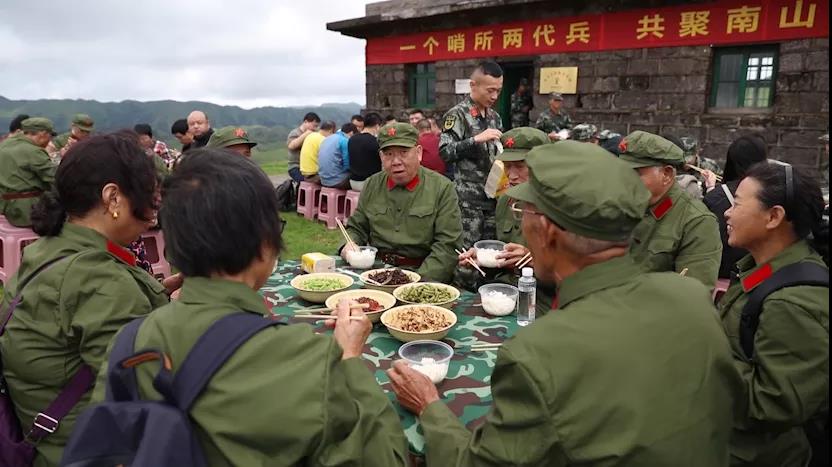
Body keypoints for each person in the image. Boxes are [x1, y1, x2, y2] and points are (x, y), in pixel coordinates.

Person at [387, 141, 741, 466]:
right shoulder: (692, 300)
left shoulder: (538, 355)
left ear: (547, 230)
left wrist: (429, 405)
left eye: (524, 210)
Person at [88, 149, 407, 466]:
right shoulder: (306, 358)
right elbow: (387, 459)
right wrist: (349, 357)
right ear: (264, 243)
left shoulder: (128, 342)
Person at [0, 133, 176, 467]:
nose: (153, 214)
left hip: (41, 434)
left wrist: (162, 290)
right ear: (113, 198)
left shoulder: (49, 251)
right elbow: (146, 391)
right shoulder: (100, 279)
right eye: (151, 200)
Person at [719, 162, 828, 466]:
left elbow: (774, 404)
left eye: (737, 204)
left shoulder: (793, 302)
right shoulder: (761, 269)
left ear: (774, 216)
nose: (727, 212)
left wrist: (704, 359)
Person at [343, 123, 462, 283]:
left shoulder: (441, 188)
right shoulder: (372, 184)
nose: (396, 161)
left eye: (404, 153)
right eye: (389, 154)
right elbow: (357, 227)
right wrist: (349, 245)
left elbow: (447, 246)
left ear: (419, 153)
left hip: (421, 273)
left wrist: (417, 283)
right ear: (381, 157)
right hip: (376, 271)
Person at [458, 127, 554, 312]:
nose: (511, 175)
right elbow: (502, 252)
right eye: (508, 166)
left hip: (545, 299)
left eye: (520, 166)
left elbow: (581, 272)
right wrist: (484, 259)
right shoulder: (505, 200)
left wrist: (534, 260)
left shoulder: (562, 206)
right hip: (504, 292)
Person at [619, 130, 722, 287]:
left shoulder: (696, 222)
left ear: (666, 174)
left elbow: (690, 296)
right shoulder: (620, 205)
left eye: (635, 173)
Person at [439, 60, 503, 288]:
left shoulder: (495, 117)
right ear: (473, 85)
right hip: (468, 202)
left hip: (492, 197)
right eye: (490, 90)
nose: (494, 95)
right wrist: (475, 140)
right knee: (467, 256)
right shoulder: (457, 115)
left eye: (498, 90)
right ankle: (463, 298)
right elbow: (445, 152)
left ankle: (489, 293)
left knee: (490, 254)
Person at [703, 135, 768, 279]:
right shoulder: (774, 192)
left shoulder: (717, 197)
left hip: (724, 273)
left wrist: (712, 191)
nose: (727, 213)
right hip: (760, 273)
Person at [0, 117, 57, 227]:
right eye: (50, 136)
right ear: (43, 134)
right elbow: (55, 178)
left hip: (4, 206)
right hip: (26, 210)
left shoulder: (4, 145)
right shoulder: (34, 151)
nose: (49, 141)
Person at [348, 112, 382, 192]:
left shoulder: (352, 139)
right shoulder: (375, 142)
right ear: (377, 126)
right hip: (369, 184)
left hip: (353, 182)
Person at [318, 123, 356, 189]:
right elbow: (347, 165)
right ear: (351, 133)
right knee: (359, 181)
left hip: (323, 180)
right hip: (337, 181)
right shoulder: (345, 141)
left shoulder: (327, 139)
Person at [286, 112, 321, 183]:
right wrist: (307, 134)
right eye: (314, 126)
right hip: (296, 167)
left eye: (317, 126)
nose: (315, 128)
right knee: (307, 183)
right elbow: (291, 146)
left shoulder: (313, 134)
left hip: (309, 169)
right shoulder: (295, 133)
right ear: (306, 122)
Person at [299, 120, 336, 184]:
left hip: (305, 174)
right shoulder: (323, 140)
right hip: (315, 175)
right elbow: (329, 160)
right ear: (331, 130)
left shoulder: (311, 135)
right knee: (339, 179)